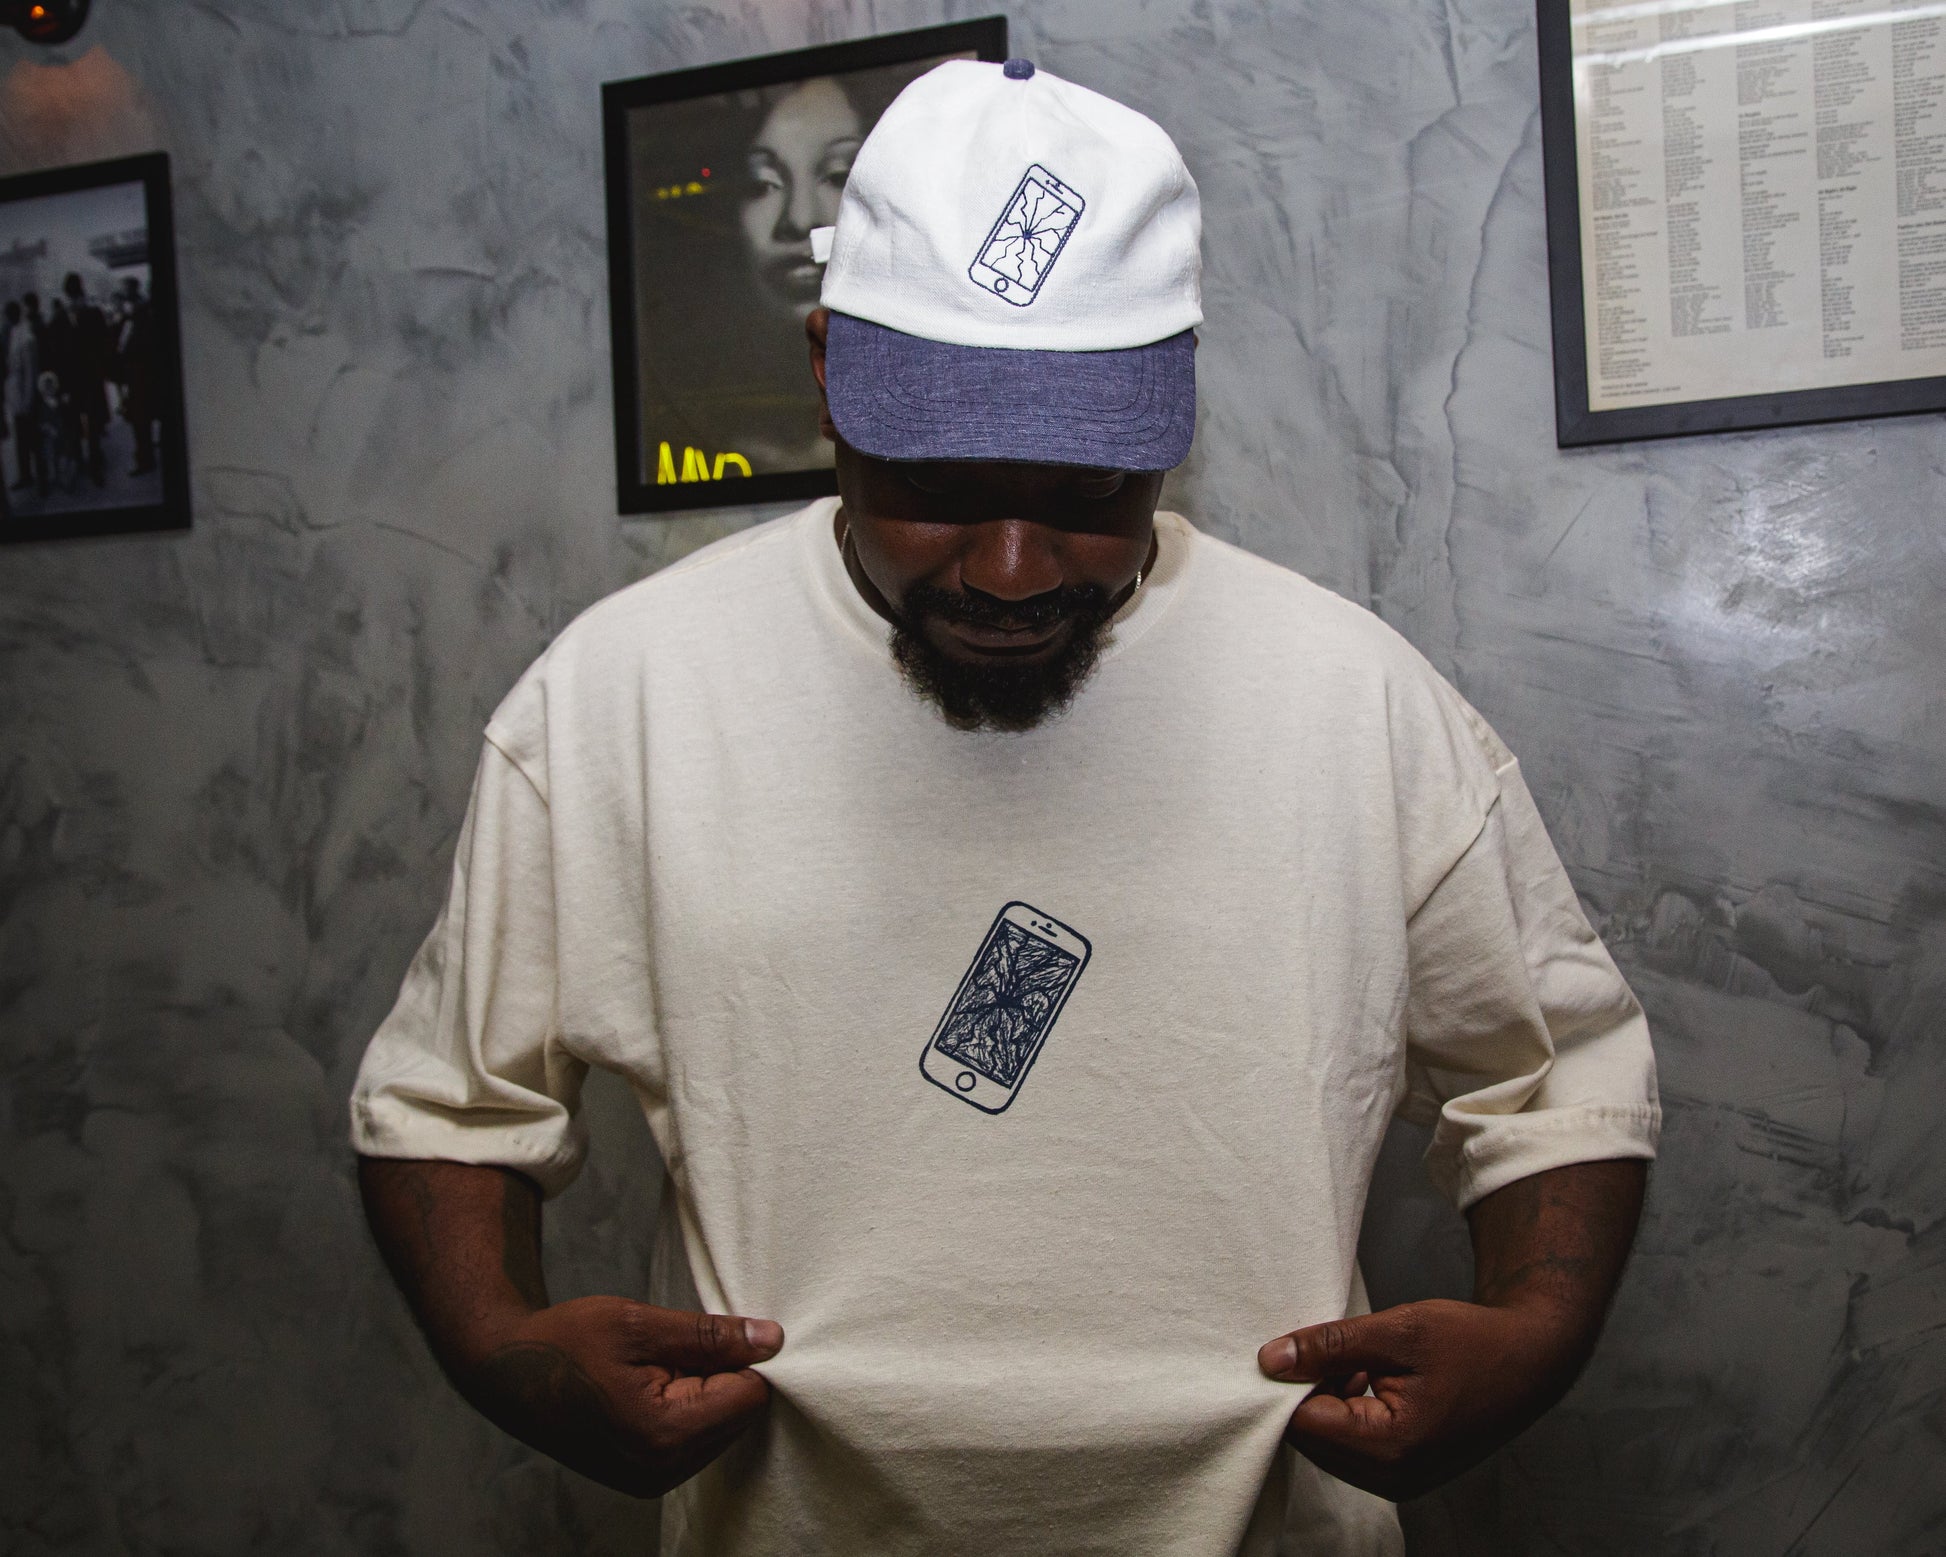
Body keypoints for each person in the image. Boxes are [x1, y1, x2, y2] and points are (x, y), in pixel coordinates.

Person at [352, 59, 1659, 1555]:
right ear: (827, 371)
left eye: (1090, 490)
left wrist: (1537, 1334)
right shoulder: (619, 699)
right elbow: (444, 1103)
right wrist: (498, 1352)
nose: (1013, 569)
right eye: (942, 483)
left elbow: (1561, 1075)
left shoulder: (1352, 698)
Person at [60, 272, 110, 487]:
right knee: (89, 424)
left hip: (77, 381)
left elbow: (58, 354)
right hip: (87, 379)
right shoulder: (92, 314)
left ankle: (86, 463)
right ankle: (93, 465)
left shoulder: (63, 318)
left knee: (81, 423)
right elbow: (104, 345)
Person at [115, 276, 156, 477]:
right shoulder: (132, 317)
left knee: (140, 420)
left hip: (140, 377)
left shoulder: (140, 316)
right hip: (135, 377)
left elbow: (137, 347)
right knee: (139, 420)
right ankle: (144, 456)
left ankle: (144, 459)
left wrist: (125, 352)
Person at [3, 299, 39, 492]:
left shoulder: (25, 338)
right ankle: (26, 475)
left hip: (25, 399)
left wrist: (28, 400)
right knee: (22, 441)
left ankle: (38, 476)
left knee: (31, 439)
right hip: (17, 399)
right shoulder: (15, 334)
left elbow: (30, 373)